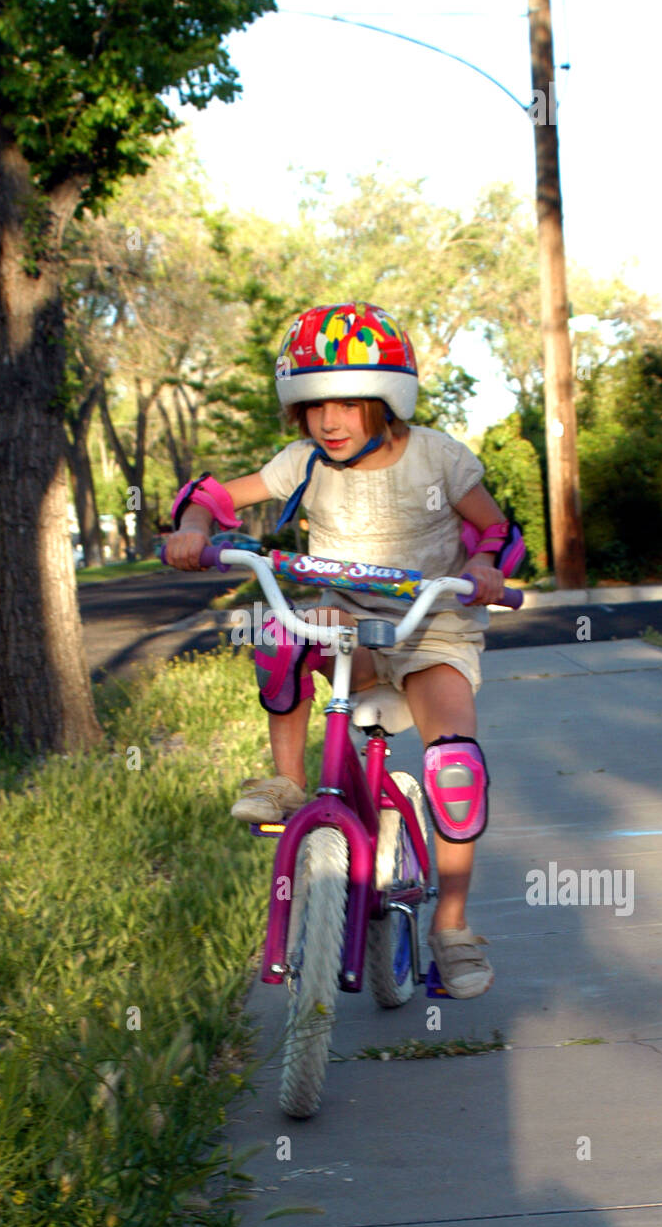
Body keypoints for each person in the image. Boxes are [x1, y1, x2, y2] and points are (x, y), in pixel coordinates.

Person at [165, 302, 524, 999]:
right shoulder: (302, 461)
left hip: (431, 629)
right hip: (344, 623)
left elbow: (496, 531)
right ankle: (286, 781)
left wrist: (486, 570)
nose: (327, 421)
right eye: (311, 406)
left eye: (346, 404)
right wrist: (193, 526)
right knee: (279, 635)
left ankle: (451, 928)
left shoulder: (437, 457)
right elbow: (213, 493)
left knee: (454, 766)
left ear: (385, 402)